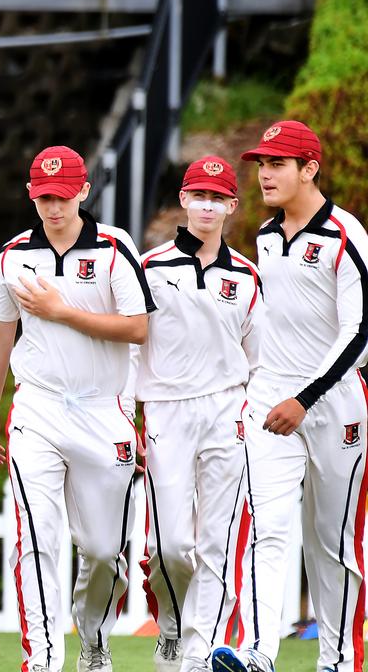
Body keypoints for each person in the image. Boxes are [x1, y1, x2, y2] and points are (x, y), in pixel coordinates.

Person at [0, 146, 154, 672]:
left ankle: (94, 638)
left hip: (103, 410)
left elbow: (138, 327)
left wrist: (61, 311)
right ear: (32, 195)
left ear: (83, 192)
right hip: (38, 409)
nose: (53, 207)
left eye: (62, 196)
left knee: (104, 550)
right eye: (43, 197)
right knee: (35, 538)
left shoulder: (116, 249)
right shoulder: (11, 257)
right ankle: (43, 660)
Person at [211, 121, 368, 672]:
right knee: (267, 528)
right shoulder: (267, 237)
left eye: (277, 164)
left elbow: (360, 333)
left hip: (336, 407)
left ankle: (339, 661)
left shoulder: (347, 237)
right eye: (260, 164)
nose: (264, 175)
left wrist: (306, 398)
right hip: (270, 405)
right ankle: (259, 653)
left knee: (332, 546)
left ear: (310, 169)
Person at [132, 157, 261, 672]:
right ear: (184, 201)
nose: (208, 206)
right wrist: (132, 415)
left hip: (226, 410)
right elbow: (131, 347)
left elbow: (258, 358)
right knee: (169, 544)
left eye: (218, 198)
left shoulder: (246, 275)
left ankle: (196, 653)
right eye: (198, 195)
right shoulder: (150, 266)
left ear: (232, 206)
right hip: (165, 409)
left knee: (216, 541)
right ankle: (169, 624)